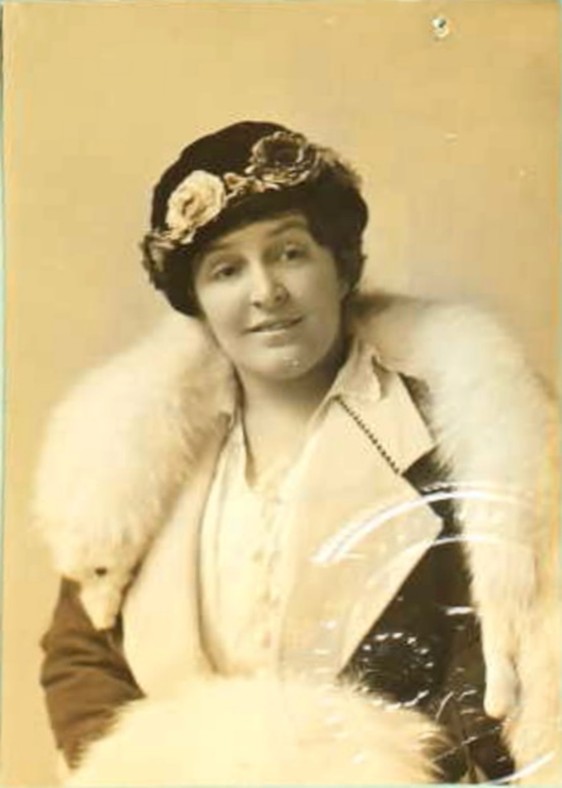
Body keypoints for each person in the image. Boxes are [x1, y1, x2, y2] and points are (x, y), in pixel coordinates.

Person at [35, 121, 559, 784]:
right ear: (196, 301)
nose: (265, 293)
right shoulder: (140, 457)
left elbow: (492, 669)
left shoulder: (450, 439)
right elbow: (80, 654)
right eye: (227, 269)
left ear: (341, 265)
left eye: (289, 253)